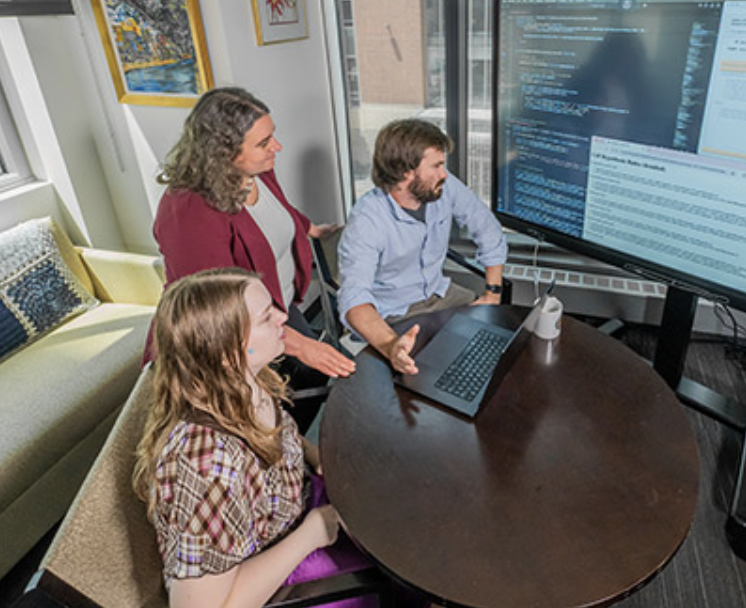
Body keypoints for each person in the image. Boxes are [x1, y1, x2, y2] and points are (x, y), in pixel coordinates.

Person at [133, 269, 375, 608]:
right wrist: (311, 534)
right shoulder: (205, 466)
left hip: (298, 507)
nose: (282, 318)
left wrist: (316, 457)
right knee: (404, 561)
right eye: (266, 317)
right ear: (227, 351)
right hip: (278, 566)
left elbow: (278, 439)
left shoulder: (243, 382)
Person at [149, 86, 354, 432]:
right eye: (263, 143)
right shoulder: (188, 211)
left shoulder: (256, 170)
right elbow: (216, 312)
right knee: (264, 417)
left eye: (272, 137)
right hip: (227, 338)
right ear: (223, 153)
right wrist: (301, 346)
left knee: (309, 390)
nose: (277, 147)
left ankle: (289, 456)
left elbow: (279, 212)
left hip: (277, 310)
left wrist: (308, 228)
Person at [337, 118, 508, 375]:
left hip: (440, 294)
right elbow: (354, 300)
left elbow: (487, 228)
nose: (444, 174)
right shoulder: (367, 220)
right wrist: (391, 345)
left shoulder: (444, 187)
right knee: (425, 379)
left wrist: (492, 294)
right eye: (437, 166)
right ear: (406, 172)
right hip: (394, 315)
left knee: (497, 342)